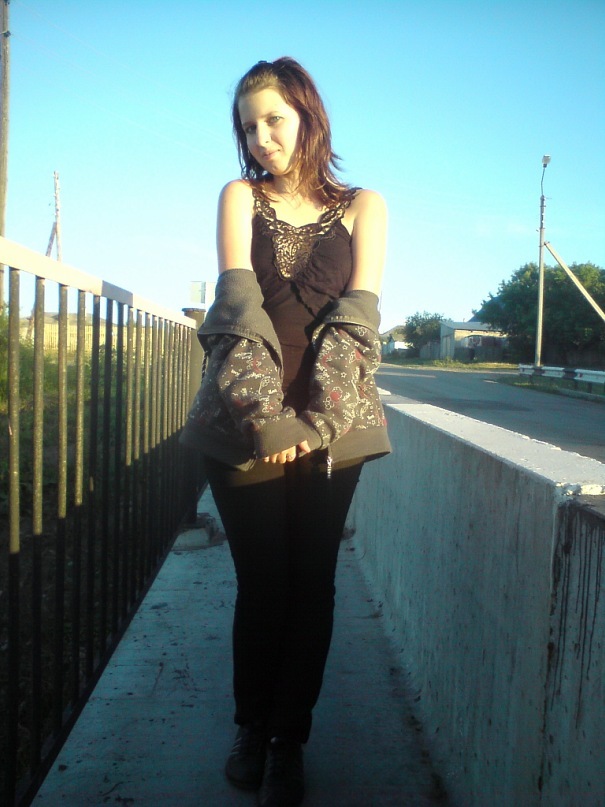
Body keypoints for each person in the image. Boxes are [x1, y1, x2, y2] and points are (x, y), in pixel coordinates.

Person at [181, 57, 390, 807]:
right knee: (263, 584)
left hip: (334, 423)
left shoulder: (365, 206)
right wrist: (269, 421)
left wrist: (317, 420)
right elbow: (236, 310)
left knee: (313, 586)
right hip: (244, 420)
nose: (261, 138)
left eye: (273, 119)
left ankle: (286, 740)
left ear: (307, 115)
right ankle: (251, 725)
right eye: (248, 127)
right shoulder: (239, 196)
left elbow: (358, 320)